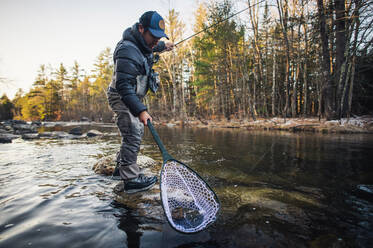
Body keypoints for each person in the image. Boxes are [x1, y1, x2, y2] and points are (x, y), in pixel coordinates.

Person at [107, 11, 174, 193]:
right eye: (153, 35)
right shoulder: (127, 50)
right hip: (122, 96)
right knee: (134, 131)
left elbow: (151, 47)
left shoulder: (144, 43)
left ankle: (119, 168)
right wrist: (141, 110)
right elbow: (123, 87)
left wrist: (164, 45)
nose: (155, 40)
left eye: (159, 36)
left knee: (134, 129)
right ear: (141, 28)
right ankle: (130, 180)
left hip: (132, 96)